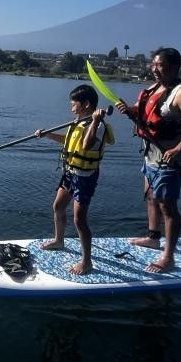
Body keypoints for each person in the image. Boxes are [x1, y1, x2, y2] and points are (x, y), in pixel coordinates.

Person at [116, 47, 181, 274]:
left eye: (161, 65)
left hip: (169, 157)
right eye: (153, 64)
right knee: (151, 198)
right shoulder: (154, 87)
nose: (155, 69)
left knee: (168, 206)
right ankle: (153, 238)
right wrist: (129, 109)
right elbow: (143, 110)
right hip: (150, 152)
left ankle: (169, 257)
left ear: (175, 68)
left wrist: (178, 148)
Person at [35, 84, 114, 275]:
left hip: (85, 177)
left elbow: (86, 146)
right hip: (70, 172)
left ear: (86, 104)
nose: (71, 105)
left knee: (79, 219)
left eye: (74, 102)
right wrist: (47, 135)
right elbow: (68, 141)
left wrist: (95, 122)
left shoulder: (99, 126)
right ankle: (59, 240)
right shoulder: (78, 121)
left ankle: (87, 262)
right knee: (58, 206)